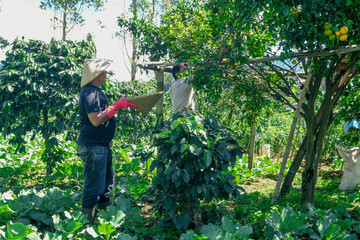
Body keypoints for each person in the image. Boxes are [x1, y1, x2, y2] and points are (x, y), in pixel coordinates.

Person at [76, 58, 137, 223]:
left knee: (105, 188)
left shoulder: (97, 91)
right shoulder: (89, 92)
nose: (106, 73)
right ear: (97, 74)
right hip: (93, 145)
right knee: (93, 188)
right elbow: (96, 120)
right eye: (103, 71)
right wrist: (116, 106)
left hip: (102, 145)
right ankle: (86, 225)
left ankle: (104, 223)